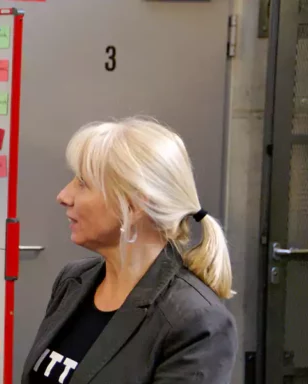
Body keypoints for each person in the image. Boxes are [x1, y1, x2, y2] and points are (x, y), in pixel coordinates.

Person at [21, 117, 237, 384]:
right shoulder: (73, 281)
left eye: (83, 183)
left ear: (133, 206)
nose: (63, 196)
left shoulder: (196, 322)